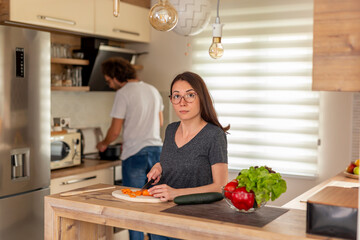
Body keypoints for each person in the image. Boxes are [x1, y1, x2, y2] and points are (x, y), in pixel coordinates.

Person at [147, 71, 229, 240]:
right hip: (161, 216)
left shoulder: (214, 135)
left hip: (195, 221)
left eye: (190, 95)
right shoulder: (170, 129)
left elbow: (220, 185)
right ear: (171, 100)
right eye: (176, 96)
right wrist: (159, 166)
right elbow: (177, 159)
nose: (182, 102)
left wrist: (177, 193)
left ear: (201, 98)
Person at [96, 57, 164, 240]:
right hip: (157, 152)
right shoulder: (153, 90)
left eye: (109, 80)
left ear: (116, 76)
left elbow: (115, 130)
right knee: (156, 203)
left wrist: (103, 144)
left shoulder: (123, 93)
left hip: (135, 155)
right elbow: (160, 122)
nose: (110, 85)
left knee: (133, 206)